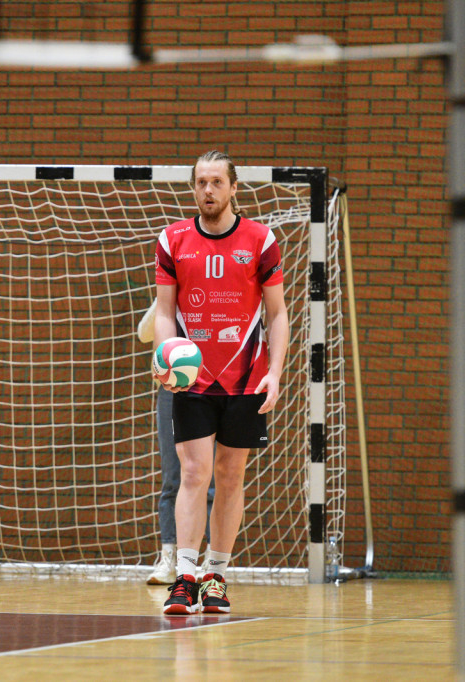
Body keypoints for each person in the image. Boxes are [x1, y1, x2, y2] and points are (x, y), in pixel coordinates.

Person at [152, 150, 289, 615]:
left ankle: (215, 575)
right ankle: (185, 578)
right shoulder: (172, 240)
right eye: (199, 183)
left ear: (234, 187)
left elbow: (278, 313)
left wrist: (276, 372)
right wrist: (167, 358)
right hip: (192, 379)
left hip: (247, 377)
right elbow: (165, 313)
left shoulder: (261, 239)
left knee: (231, 476)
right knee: (193, 474)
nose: (206, 190)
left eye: (215, 182)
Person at [137, 302, 215, 585]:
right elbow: (143, 333)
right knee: (173, 477)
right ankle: (168, 556)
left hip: (216, 387)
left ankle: (209, 559)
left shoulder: (216, 296)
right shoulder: (170, 294)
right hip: (174, 390)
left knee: (210, 479)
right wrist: (162, 302)